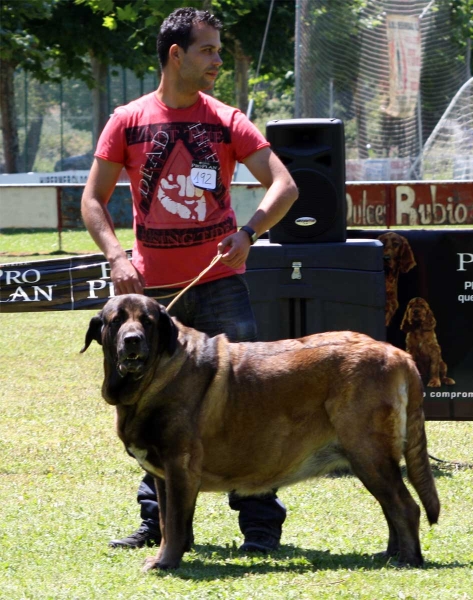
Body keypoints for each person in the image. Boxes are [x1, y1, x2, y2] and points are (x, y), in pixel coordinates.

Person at [81, 7, 298, 554]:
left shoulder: (226, 120)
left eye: (219, 51)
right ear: (175, 55)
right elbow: (92, 200)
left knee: (250, 405)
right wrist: (115, 255)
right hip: (150, 302)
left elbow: (284, 186)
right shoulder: (127, 120)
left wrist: (249, 230)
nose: (217, 61)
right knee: (148, 406)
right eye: (208, 50)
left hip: (223, 286)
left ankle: (260, 529)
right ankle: (156, 524)